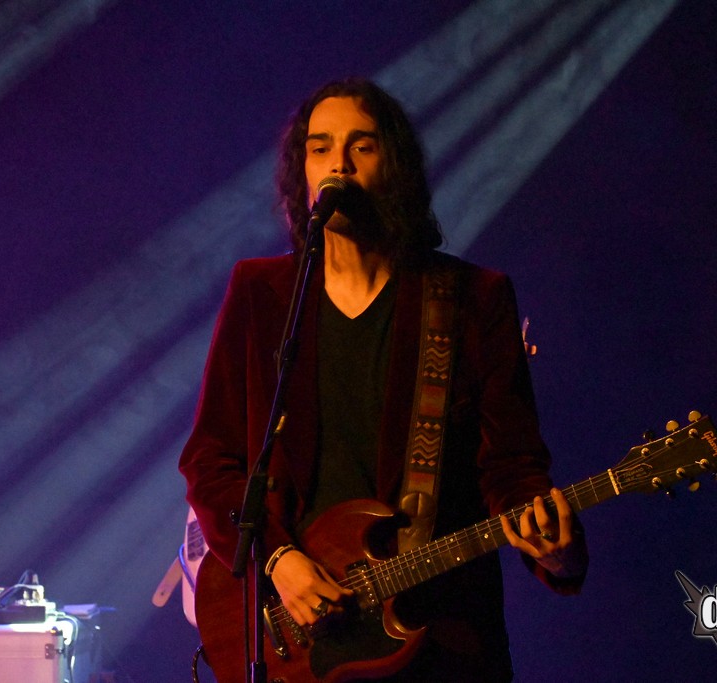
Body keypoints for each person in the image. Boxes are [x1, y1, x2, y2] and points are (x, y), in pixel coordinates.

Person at [178, 77, 587, 682]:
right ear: (301, 170)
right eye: (319, 147)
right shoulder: (261, 294)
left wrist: (553, 546)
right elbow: (211, 461)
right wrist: (279, 559)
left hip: (440, 641)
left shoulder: (472, 299)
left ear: (394, 167)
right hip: (302, 641)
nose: (337, 164)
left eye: (361, 146)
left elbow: (511, 465)